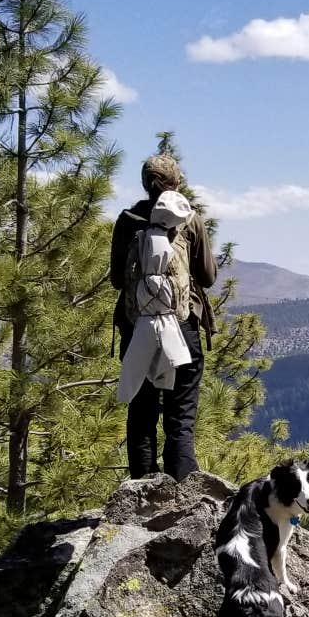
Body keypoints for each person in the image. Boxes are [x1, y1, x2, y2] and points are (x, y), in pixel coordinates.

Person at [110, 154, 217, 480]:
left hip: (138, 328)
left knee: (141, 413)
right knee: (180, 417)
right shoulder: (190, 220)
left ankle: (141, 491)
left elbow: (116, 279)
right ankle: (183, 491)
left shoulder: (128, 219)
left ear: (145, 184)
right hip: (181, 328)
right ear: (177, 183)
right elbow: (208, 277)